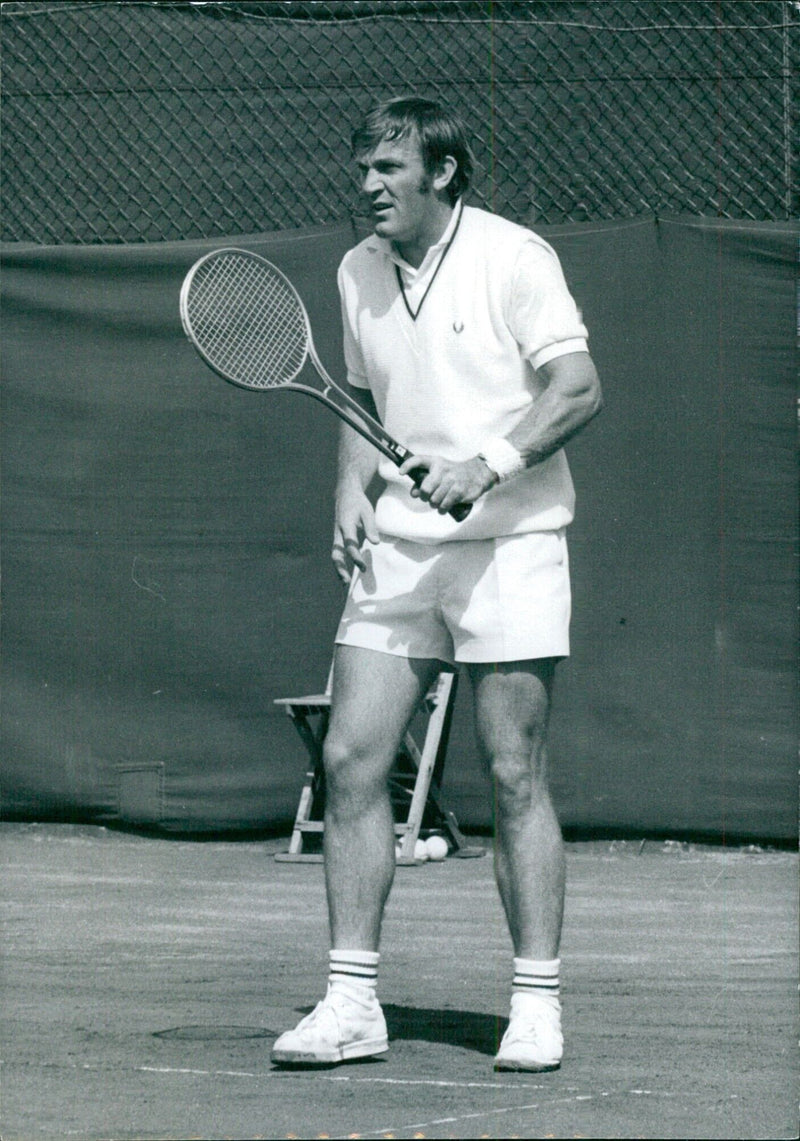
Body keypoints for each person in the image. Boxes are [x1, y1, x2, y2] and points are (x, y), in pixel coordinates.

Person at [271, 95, 602, 1072]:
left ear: (441, 173)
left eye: (386, 169)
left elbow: (577, 386)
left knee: (512, 772)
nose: (365, 186)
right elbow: (364, 394)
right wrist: (351, 487)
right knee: (350, 759)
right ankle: (350, 1003)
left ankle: (534, 1004)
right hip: (401, 552)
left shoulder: (513, 257)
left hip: (511, 544)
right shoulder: (355, 269)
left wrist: (488, 463)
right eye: (361, 168)